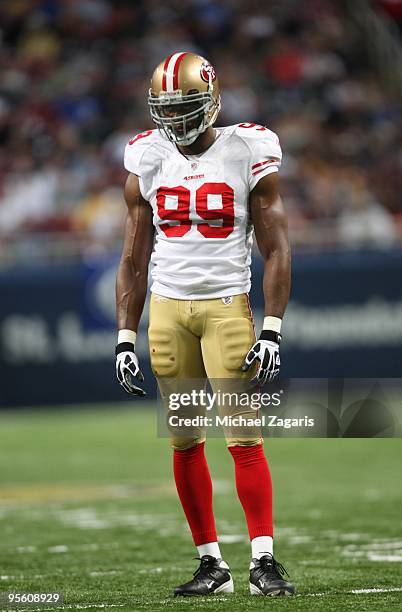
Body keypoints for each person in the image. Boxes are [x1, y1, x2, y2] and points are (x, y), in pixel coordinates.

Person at [115, 51, 294, 597]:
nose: (174, 118)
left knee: (243, 437)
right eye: (165, 107)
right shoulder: (146, 154)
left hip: (225, 307)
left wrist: (272, 326)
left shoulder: (247, 148)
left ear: (211, 100)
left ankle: (263, 559)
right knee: (185, 441)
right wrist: (125, 334)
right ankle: (211, 564)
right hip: (168, 313)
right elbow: (133, 255)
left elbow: (276, 245)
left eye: (186, 104)